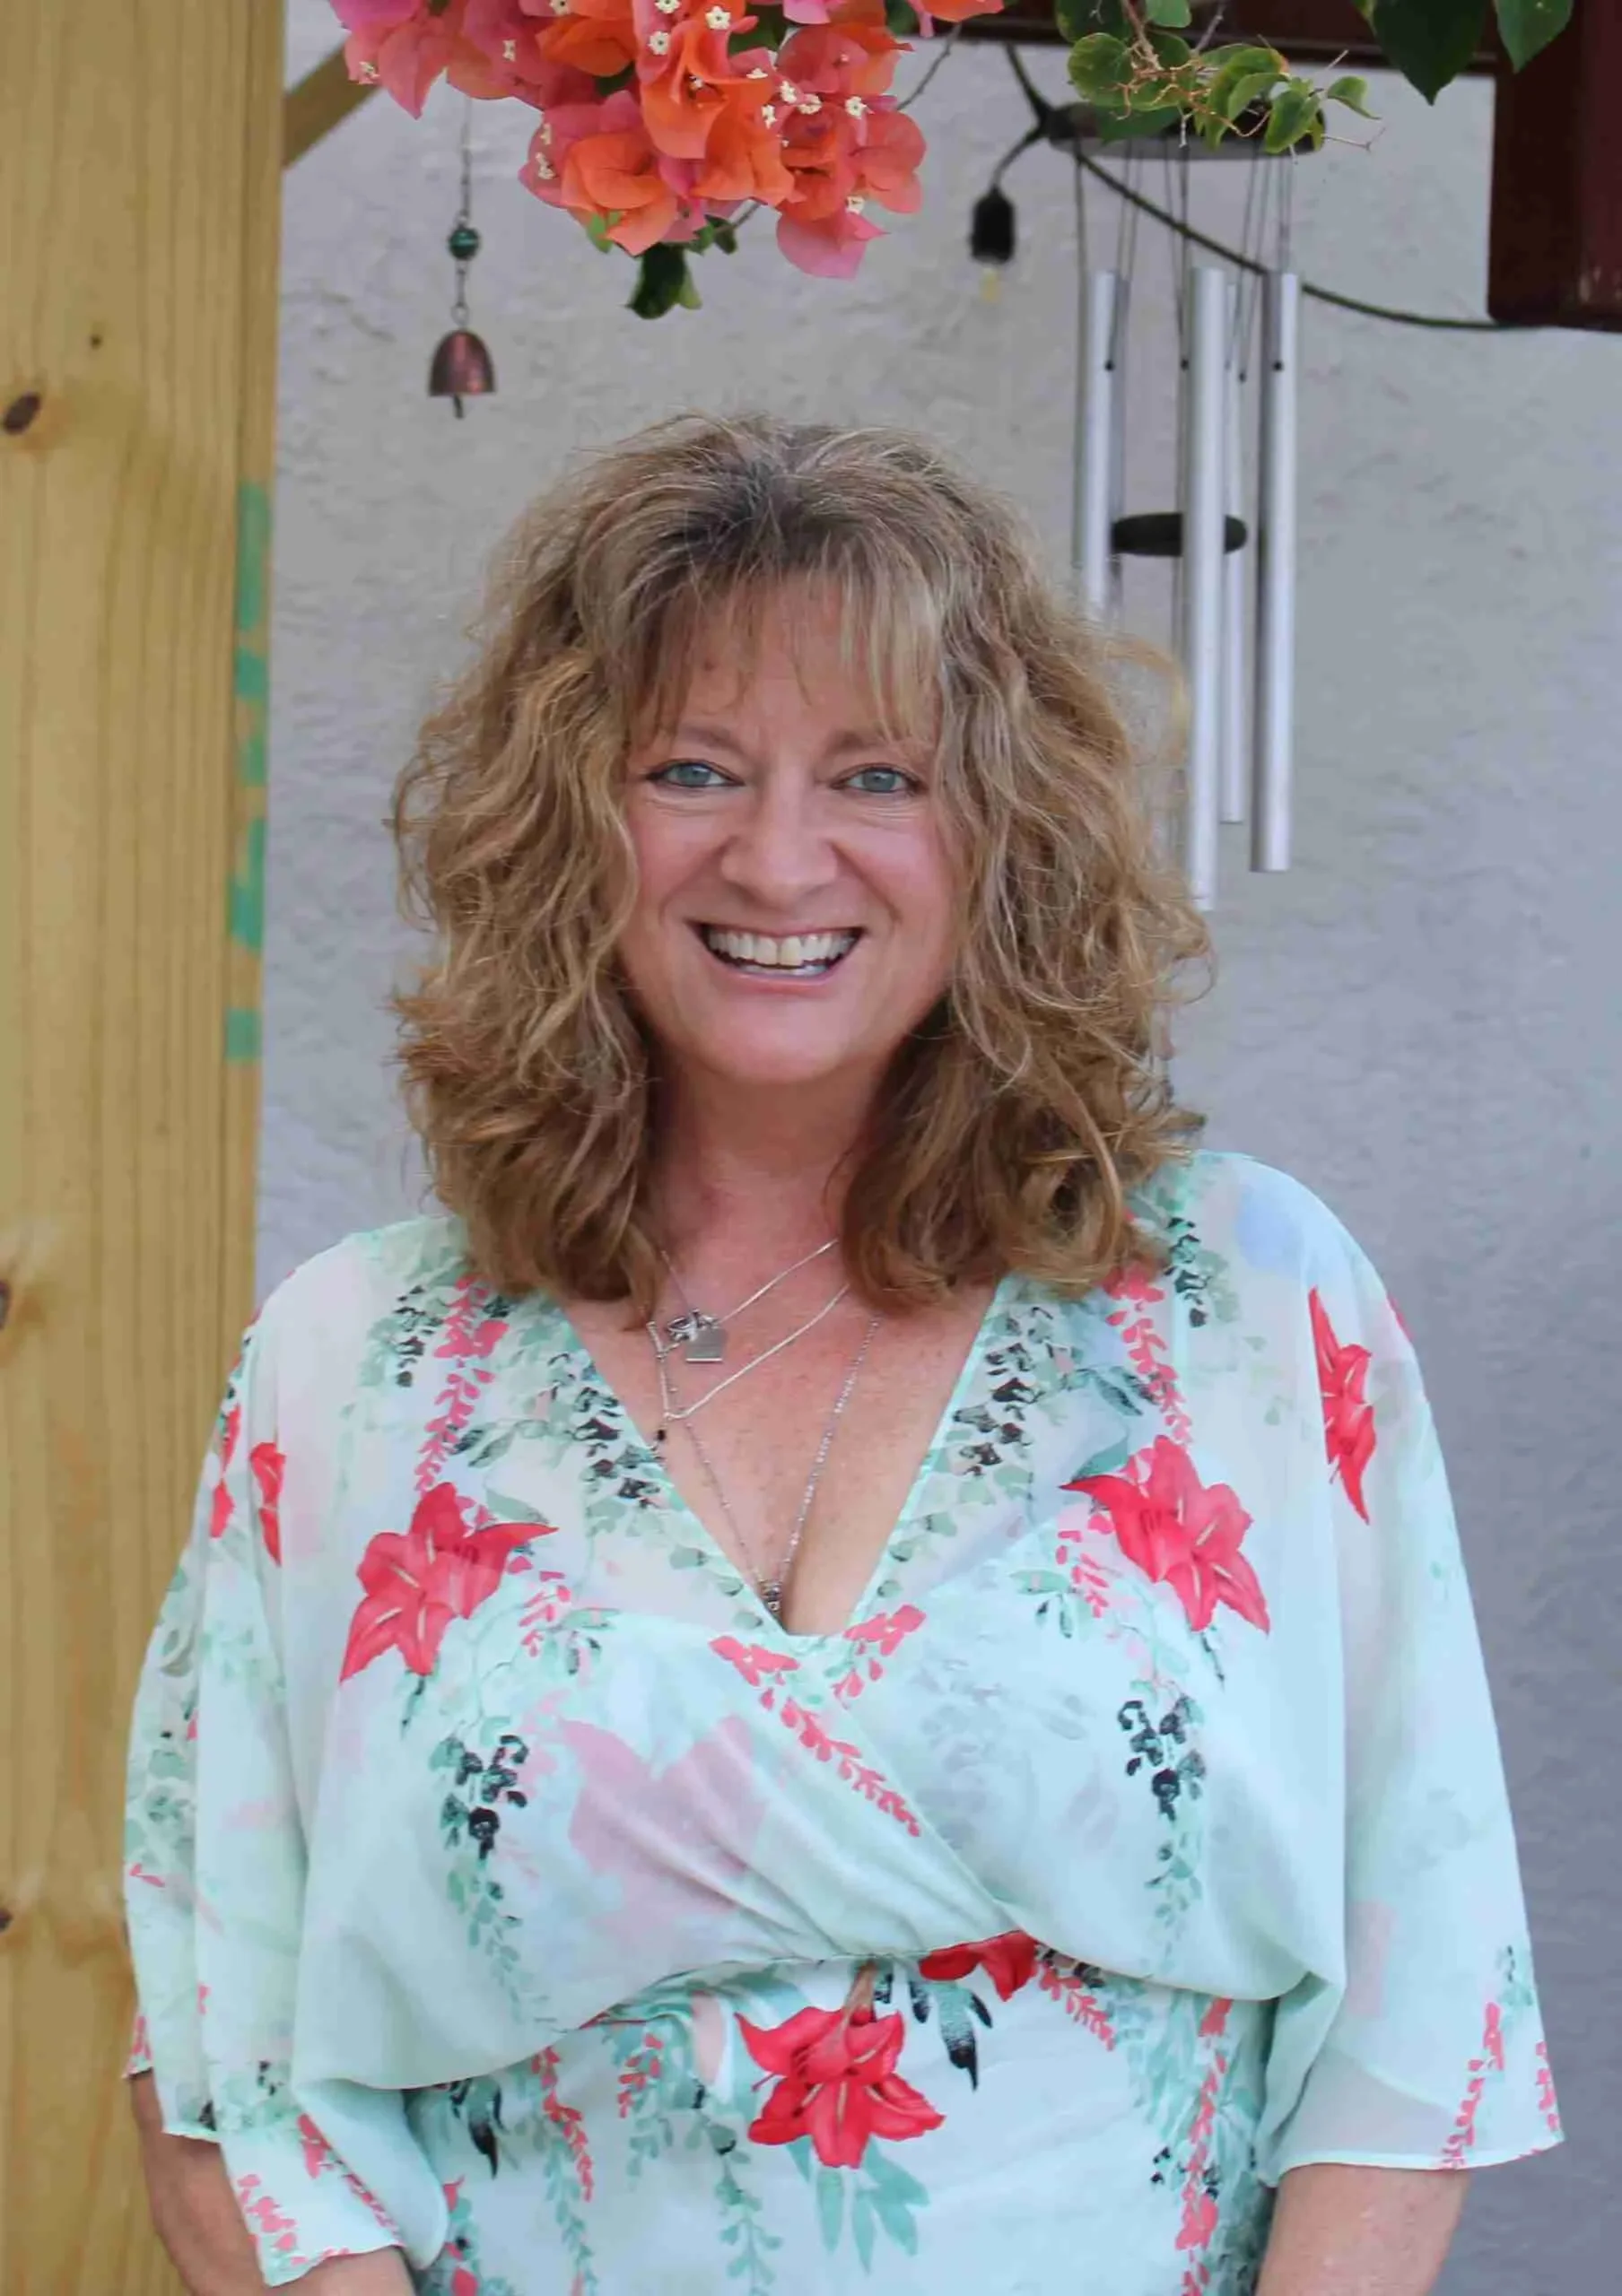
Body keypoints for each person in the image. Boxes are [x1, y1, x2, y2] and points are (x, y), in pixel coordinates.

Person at [125, 413, 1560, 2295]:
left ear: (999, 831)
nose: (779, 857)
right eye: (694, 769)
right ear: (568, 822)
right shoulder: (358, 1357)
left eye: (875, 773)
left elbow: (1417, 2002)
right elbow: (223, 2050)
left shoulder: (1250, 1303)